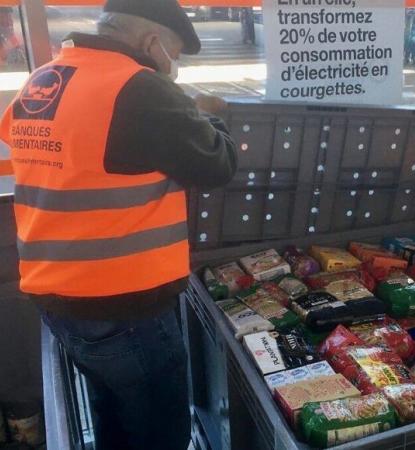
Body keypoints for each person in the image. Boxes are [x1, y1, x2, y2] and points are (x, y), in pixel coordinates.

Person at [0, 0, 237, 448]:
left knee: (113, 416)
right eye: (175, 55)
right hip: (125, 309)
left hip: (56, 298)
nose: (175, 69)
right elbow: (216, 164)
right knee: (158, 434)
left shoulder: (46, 78)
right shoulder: (138, 87)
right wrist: (210, 114)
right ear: (152, 42)